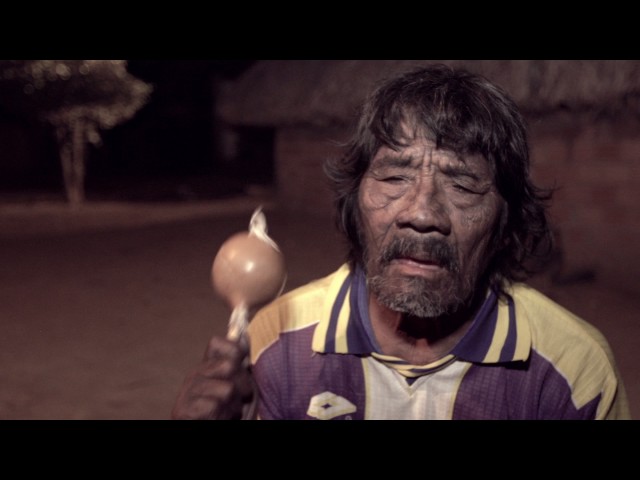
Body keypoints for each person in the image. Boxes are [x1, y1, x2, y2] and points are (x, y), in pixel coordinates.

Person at [172, 64, 630, 420]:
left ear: (505, 223)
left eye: (462, 185)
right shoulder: (277, 342)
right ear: (354, 204)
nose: (422, 214)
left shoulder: (572, 369)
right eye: (394, 177)